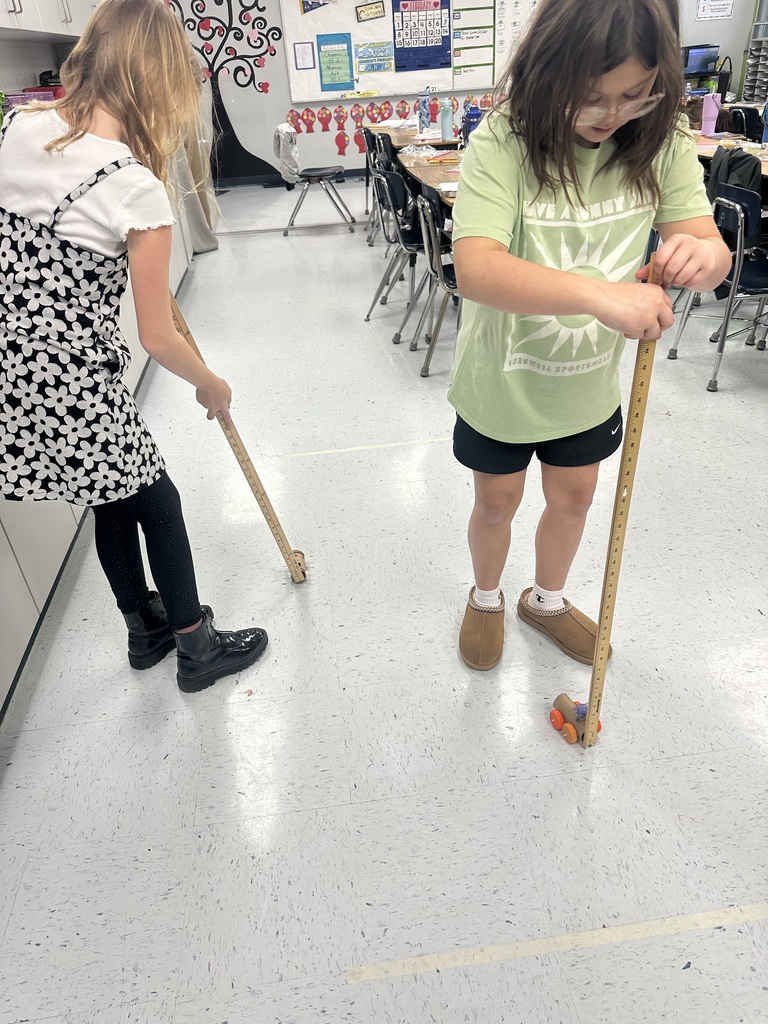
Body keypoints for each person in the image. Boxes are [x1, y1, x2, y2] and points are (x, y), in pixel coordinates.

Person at [450, 0, 730, 671]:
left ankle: (546, 600)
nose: (611, 115)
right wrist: (599, 295)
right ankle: (485, 596)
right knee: (497, 503)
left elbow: (710, 246)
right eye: (590, 97)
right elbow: (476, 268)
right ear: (546, 73)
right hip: (501, 384)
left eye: (635, 93)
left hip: (587, 386)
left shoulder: (661, 139)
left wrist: (702, 257)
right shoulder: (505, 139)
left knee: (574, 499)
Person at [0, 0, 268, 692]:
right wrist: (210, 381)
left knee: (108, 496)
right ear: (157, 80)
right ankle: (196, 648)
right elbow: (157, 336)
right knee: (158, 500)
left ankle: (143, 628)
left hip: (14, 371)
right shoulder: (132, 187)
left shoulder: (19, 127)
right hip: (73, 378)